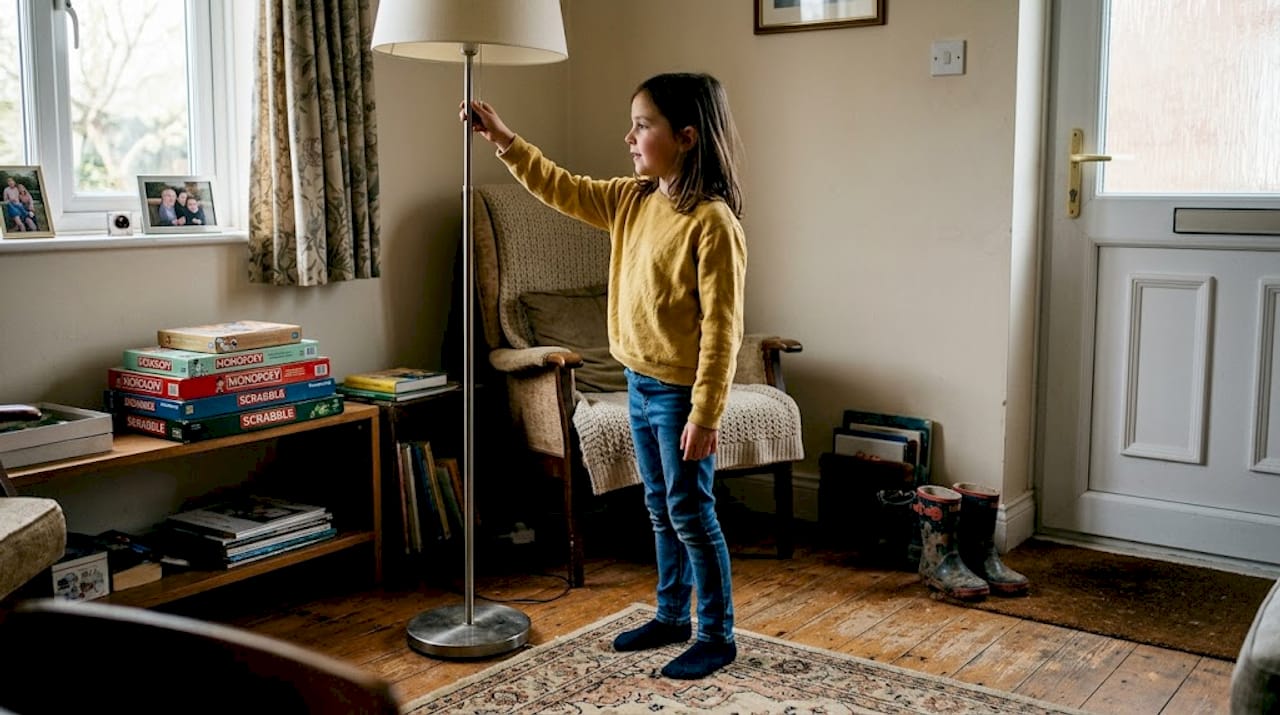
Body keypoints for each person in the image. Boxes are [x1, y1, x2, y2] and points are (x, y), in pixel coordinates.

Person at [465, 72, 746, 680]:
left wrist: (706, 413)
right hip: (636, 383)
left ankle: (716, 635)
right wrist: (506, 141)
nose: (630, 137)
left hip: (678, 394)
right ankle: (672, 616)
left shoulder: (713, 222)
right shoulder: (632, 199)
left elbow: (724, 331)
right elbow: (560, 188)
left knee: (691, 511)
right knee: (658, 507)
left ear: (687, 137)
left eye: (643, 126)